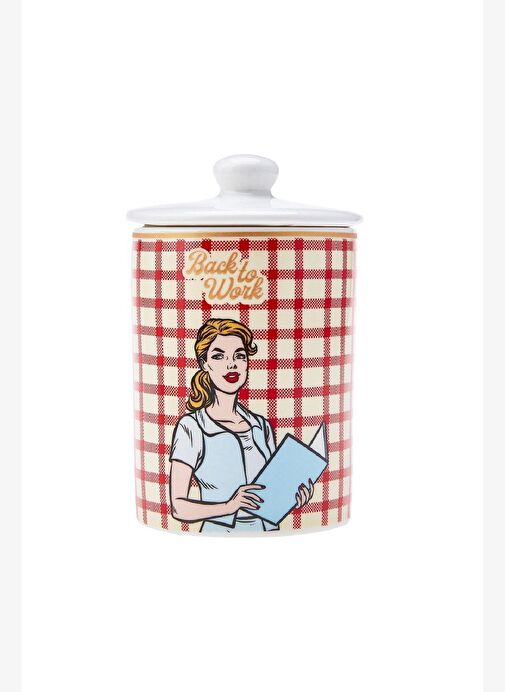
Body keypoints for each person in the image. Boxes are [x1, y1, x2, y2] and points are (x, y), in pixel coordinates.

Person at [169, 318, 314, 533]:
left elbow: (271, 488)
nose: (232, 364)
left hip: (270, 533)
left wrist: (293, 497)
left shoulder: (261, 425)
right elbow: (178, 507)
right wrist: (229, 506)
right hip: (217, 534)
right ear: (204, 364)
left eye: (239, 355)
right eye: (219, 356)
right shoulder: (192, 427)